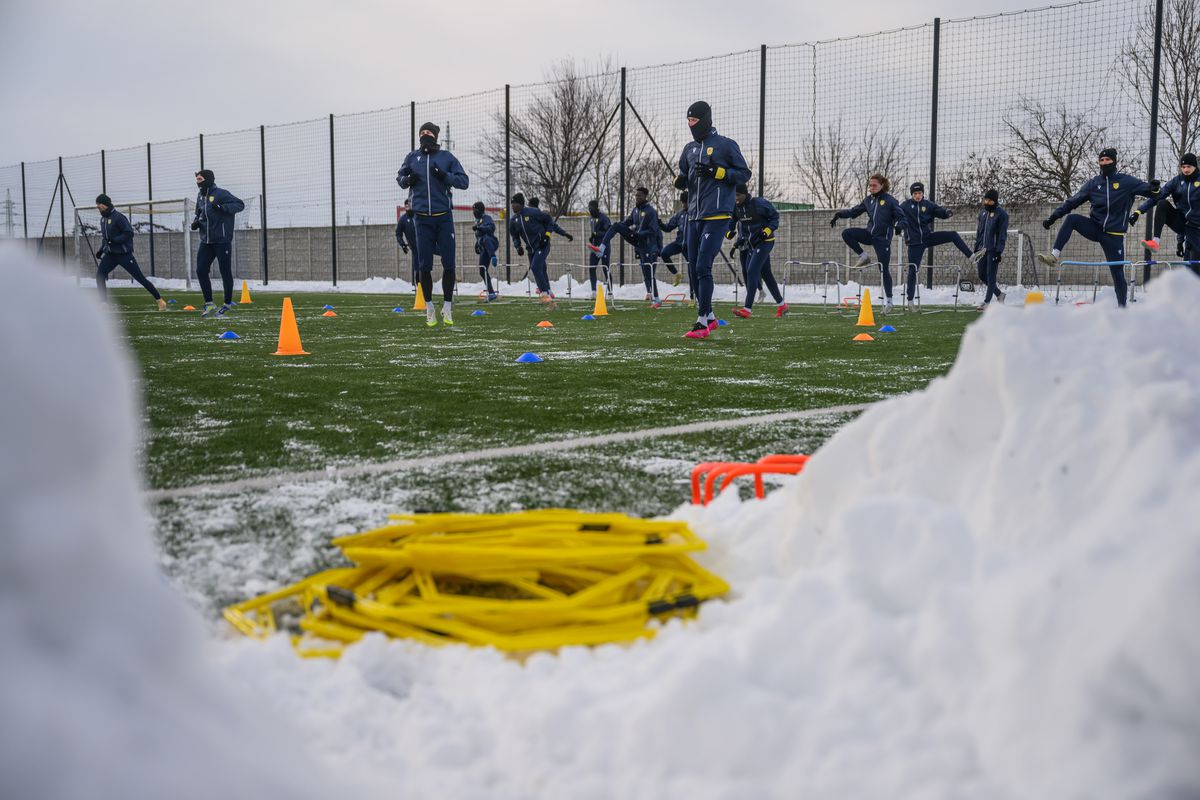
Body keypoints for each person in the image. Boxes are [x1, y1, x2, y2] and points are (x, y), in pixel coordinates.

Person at [1038, 147, 1159, 307]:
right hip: (1095, 228)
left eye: (1107, 160)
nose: (1104, 162)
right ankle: (1054, 256)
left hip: (1114, 236)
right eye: (1101, 160)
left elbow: (1151, 192)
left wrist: (1154, 188)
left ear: (1114, 161)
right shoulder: (1093, 184)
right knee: (1072, 219)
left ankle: (1122, 308)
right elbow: (1072, 202)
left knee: (1117, 274)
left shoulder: (1126, 182)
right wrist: (1053, 217)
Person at [675, 100, 751, 339]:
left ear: (705, 120)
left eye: (694, 120)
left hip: (717, 215)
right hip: (694, 216)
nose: (691, 125)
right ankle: (709, 317)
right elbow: (684, 174)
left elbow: (744, 174)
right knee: (692, 267)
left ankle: (701, 322)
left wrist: (717, 172)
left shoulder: (725, 145)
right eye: (688, 121)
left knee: (702, 266)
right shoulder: (688, 149)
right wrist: (680, 181)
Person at [396, 122, 469, 327]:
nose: (425, 135)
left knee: (449, 263)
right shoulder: (412, 157)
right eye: (422, 133)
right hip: (421, 219)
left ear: (436, 136)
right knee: (424, 265)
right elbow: (399, 178)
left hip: (444, 217)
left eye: (429, 132)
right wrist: (407, 180)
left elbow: (464, 181)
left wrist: (444, 176)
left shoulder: (446, 157)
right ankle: (429, 308)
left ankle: (447, 307)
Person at [830, 173, 906, 314]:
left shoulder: (890, 201)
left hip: (882, 239)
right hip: (869, 234)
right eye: (870, 185)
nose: (871, 188)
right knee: (847, 233)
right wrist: (840, 214)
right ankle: (864, 256)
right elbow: (854, 212)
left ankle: (889, 302)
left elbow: (902, 217)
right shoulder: (868, 200)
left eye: (874, 185)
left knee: (883, 268)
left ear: (882, 185)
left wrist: (900, 226)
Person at [898, 181, 976, 311]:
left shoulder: (927, 205)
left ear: (923, 193)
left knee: (953, 235)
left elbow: (938, 211)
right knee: (913, 270)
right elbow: (897, 215)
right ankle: (910, 301)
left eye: (919, 193)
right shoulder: (905, 206)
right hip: (915, 243)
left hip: (928, 237)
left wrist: (946, 212)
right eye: (915, 193)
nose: (917, 196)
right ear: (912, 194)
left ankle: (972, 256)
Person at [589, 186, 662, 306]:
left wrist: (639, 234)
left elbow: (653, 231)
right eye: (636, 195)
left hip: (646, 243)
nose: (636, 197)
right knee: (616, 226)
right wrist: (620, 227)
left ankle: (657, 299)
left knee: (648, 272)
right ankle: (601, 248)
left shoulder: (651, 211)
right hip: (635, 238)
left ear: (645, 196)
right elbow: (628, 222)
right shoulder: (635, 210)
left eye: (639, 195)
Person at [92, 194, 166, 310]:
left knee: (140, 278)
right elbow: (106, 238)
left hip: (124, 255)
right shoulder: (103, 219)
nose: (97, 206)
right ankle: (103, 303)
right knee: (100, 276)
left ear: (105, 204)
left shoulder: (119, 217)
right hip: (110, 255)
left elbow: (129, 233)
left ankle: (160, 300)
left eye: (99, 204)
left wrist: (115, 240)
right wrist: (101, 250)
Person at [190, 169, 245, 318]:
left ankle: (227, 304)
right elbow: (199, 213)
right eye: (197, 180)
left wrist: (222, 208)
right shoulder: (200, 196)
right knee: (201, 270)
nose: (197, 182)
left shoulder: (221, 193)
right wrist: (196, 222)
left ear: (208, 180)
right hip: (206, 241)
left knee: (224, 271)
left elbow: (239, 204)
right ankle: (209, 303)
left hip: (222, 240)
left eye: (200, 179)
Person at [1133, 152, 1200, 274]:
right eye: (1183, 167)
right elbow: (1158, 196)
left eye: (1189, 167)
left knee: (1194, 269)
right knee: (1162, 203)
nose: (1186, 170)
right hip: (1183, 224)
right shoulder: (1176, 181)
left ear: (1195, 167)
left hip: (1196, 229)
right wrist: (1139, 210)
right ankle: (1155, 242)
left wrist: (1180, 241)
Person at [728, 184, 787, 318]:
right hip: (752, 244)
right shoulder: (736, 208)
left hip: (766, 242)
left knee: (751, 270)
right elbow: (730, 224)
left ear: (745, 194)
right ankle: (782, 305)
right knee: (766, 274)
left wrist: (767, 231)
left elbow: (775, 217)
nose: (735, 198)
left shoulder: (759, 204)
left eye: (738, 195)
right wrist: (729, 233)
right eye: (734, 195)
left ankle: (747, 309)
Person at [508, 192, 573, 305]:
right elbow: (514, 235)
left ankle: (544, 293)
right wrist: (518, 246)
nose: (512, 206)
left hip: (542, 245)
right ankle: (548, 291)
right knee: (541, 269)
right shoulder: (513, 220)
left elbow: (550, 222)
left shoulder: (533, 212)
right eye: (511, 204)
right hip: (530, 249)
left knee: (535, 267)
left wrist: (548, 236)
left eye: (514, 203)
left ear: (521, 204)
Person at [972, 189, 1009, 310]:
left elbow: (1002, 235)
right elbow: (979, 232)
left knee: (991, 275)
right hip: (981, 250)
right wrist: (976, 247)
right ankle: (999, 294)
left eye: (990, 201)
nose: (987, 202)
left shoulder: (1002, 214)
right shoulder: (982, 213)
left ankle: (986, 302)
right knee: (982, 274)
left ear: (995, 201)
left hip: (993, 250)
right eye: (986, 200)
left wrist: (999, 251)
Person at [658, 191, 689, 291]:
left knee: (692, 270)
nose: (684, 205)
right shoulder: (679, 214)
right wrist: (660, 223)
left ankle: (693, 295)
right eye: (682, 202)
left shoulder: (696, 213)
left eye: (686, 202)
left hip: (690, 245)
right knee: (664, 253)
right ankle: (676, 274)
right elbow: (668, 228)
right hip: (679, 243)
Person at [471, 201, 500, 301]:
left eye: (475, 209)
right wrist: (477, 245)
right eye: (473, 210)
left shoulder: (486, 218)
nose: (473, 212)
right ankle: (491, 293)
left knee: (485, 239)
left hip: (492, 243)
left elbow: (491, 228)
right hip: (484, 248)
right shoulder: (477, 221)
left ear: (480, 210)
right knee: (482, 270)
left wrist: (480, 228)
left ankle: (493, 257)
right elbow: (478, 237)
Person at [586, 199, 611, 299]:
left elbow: (609, 232)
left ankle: (610, 292)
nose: (590, 211)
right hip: (594, 247)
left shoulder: (604, 218)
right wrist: (592, 238)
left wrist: (597, 234)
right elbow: (594, 232)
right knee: (592, 268)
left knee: (606, 268)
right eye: (589, 209)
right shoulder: (591, 219)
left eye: (591, 208)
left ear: (596, 208)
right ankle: (593, 292)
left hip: (604, 247)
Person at [394, 199, 418, 286]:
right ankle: (418, 286)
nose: (408, 207)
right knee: (418, 266)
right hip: (414, 247)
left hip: (427, 244)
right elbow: (398, 234)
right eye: (406, 206)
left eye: (409, 205)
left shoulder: (419, 215)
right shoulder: (403, 219)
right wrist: (403, 245)